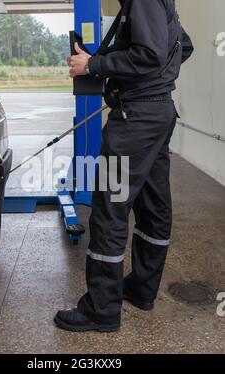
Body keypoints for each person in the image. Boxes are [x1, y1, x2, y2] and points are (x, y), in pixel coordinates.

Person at [54, 0, 194, 332]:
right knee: (153, 205)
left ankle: (100, 310)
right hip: (157, 113)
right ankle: (142, 289)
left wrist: (93, 65)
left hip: (136, 122)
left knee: (109, 209)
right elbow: (183, 46)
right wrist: (153, 81)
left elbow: (149, 54)